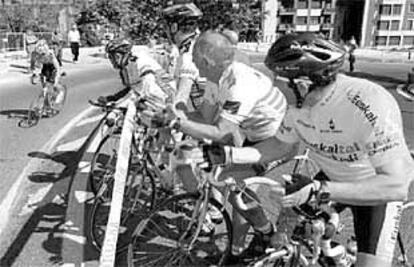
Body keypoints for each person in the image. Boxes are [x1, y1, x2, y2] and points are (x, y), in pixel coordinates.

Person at [199, 32, 413, 266]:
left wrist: (320, 189)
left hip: (375, 190)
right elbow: (279, 145)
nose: (275, 88)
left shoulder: (369, 102)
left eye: (279, 81)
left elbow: (396, 185)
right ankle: (332, 253)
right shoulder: (299, 109)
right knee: (284, 241)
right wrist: (229, 155)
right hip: (331, 178)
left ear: (302, 84)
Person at [146, 30, 288, 264]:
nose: (191, 64)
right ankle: (242, 242)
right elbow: (205, 117)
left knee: (233, 184)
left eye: (193, 58)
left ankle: (259, 236)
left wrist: (176, 123)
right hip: (252, 133)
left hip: (277, 141)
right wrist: (168, 114)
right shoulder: (215, 79)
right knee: (227, 181)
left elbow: (221, 130)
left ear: (206, 60)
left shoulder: (239, 83)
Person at [30, 39, 65, 107]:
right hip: (45, 66)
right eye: (39, 54)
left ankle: (60, 92)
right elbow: (32, 64)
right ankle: (46, 101)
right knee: (44, 87)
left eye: (43, 54)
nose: (41, 55)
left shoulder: (50, 54)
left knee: (53, 83)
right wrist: (34, 73)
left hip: (53, 67)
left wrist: (56, 79)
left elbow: (57, 68)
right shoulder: (34, 54)